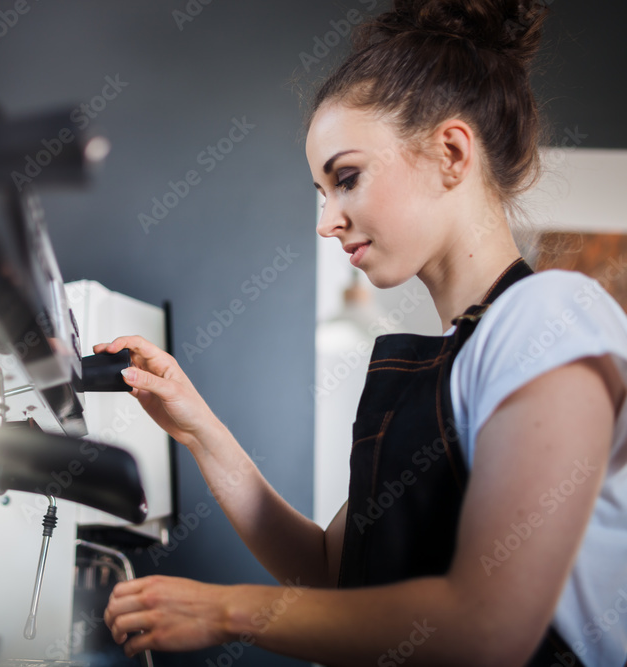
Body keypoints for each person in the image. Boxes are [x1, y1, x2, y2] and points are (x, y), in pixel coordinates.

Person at [99, 1, 627, 665]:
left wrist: (228, 608)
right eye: (321, 191)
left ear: (452, 153)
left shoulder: (548, 317)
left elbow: (489, 627)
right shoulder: (457, 360)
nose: (327, 221)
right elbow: (332, 567)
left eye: (346, 178)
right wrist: (200, 429)